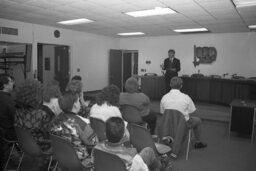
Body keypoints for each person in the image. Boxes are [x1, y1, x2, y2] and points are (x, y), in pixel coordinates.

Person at [160, 76, 207, 159]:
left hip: (169, 123)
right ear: (181, 86)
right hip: (183, 124)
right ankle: (198, 142)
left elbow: (163, 113)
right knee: (198, 120)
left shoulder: (164, 97)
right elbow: (192, 112)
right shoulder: (186, 97)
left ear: (170, 85)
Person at [95, 117, 161, 171]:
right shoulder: (131, 155)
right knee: (148, 151)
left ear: (105, 133)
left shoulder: (97, 148)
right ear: (124, 135)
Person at [50, 92, 96, 168]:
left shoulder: (55, 120)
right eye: (78, 101)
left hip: (61, 157)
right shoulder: (82, 124)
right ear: (74, 105)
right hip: (81, 160)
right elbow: (93, 143)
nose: (80, 103)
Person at [14, 80, 62, 153]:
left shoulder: (18, 111)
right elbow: (52, 135)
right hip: (43, 148)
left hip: (25, 146)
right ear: (37, 95)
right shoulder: (41, 114)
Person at [0, 74, 16, 170]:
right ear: (5, 85)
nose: (13, 83)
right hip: (9, 133)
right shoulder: (8, 100)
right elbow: (16, 119)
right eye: (11, 81)